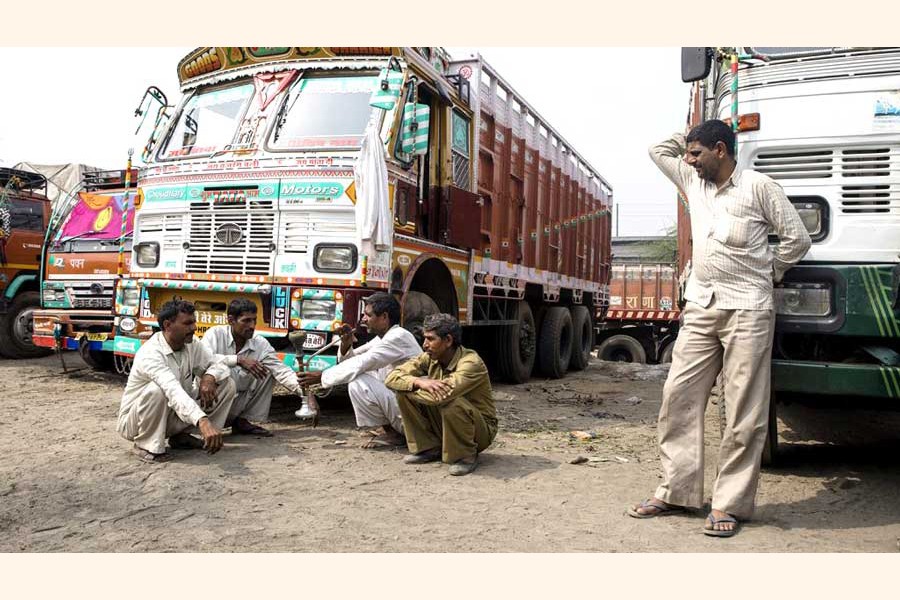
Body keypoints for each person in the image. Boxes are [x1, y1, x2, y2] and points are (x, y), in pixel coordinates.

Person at [628, 120, 811, 536]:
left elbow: (797, 240)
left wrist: (770, 270)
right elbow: (658, 148)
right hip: (701, 305)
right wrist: (689, 132)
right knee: (678, 397)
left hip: (748, 309)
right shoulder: (693, 182)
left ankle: (729, 504)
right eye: (688, 154)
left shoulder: (759, 187)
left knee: (743, 410)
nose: (688, 161)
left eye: (696, 153)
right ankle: (677, 491)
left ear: (721, 151)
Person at [117, 299, 237, 463]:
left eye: (194, 322)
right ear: (167, 325)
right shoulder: (151, 353)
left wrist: (209, 377)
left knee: (226, 384)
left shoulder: (191, 344)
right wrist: (202, 420)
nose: (194, 328)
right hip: (135, 423)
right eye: (188, 323)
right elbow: (173, 391)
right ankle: (145, 444)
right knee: (157, 390)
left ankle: (186, 437)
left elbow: (217, 363)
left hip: (171, 413)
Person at [297, 292, 421, 449]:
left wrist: (322, 377)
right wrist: (346, 345)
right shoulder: (383, 339)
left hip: (413, 415)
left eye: (368, 315)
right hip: (404, 409)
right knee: (358, 374)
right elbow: (353, 361)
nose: (363, 319)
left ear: (384, 317)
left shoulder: (398, 337)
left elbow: (362, 363)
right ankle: (391, 431)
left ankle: (394, 433)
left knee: (358, 381)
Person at [384, 313, 496, 476]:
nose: (424, 345)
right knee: (405, 392)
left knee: (451, 403)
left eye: (430, 339)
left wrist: (406, 388)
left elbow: (440, 396)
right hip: (445, 420)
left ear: (448, 340)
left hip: (480, 430)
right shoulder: (429, 357)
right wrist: (418, 382)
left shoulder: (471, 363)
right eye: (425, 338)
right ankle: (428, 448)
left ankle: (465, 456)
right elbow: (391, 377)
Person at [201, 298, 306, 437]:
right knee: (220, 371)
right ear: (231, 320)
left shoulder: (260, 343)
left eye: (254, 320)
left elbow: (282, 371)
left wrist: (305, 394)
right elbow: (204, 360)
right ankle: (206, 426)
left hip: (235, 403)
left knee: (267, 369)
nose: (252, 326)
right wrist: (238, 360)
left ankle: (242, 421)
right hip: (211, 403)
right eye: (246, 321)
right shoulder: (214, 334)